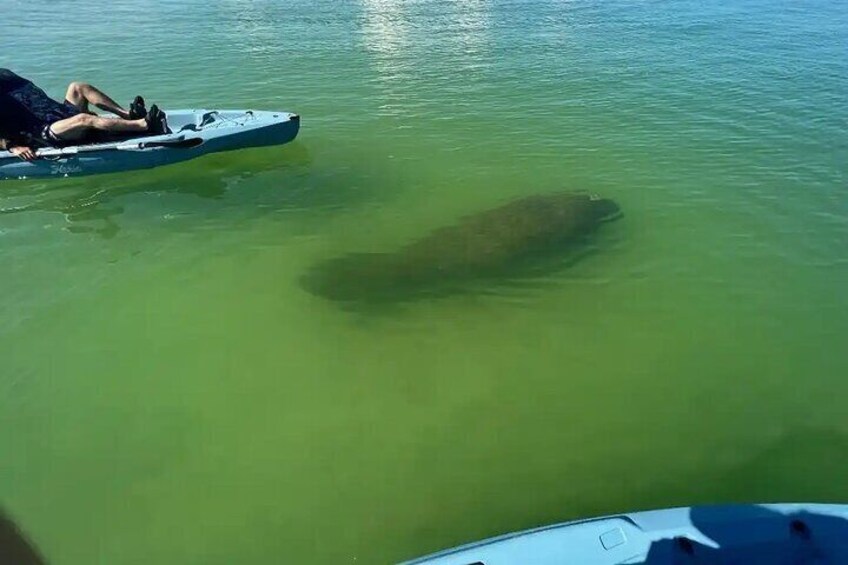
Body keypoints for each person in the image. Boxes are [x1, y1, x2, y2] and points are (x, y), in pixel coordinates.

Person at [0, 68, 168, 161]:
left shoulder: (5, 75)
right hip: (42, 131)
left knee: (78, 87)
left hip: (57, 113)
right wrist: (12, 147)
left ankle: (127, 115)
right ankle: (144, 125)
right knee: (84, 119)